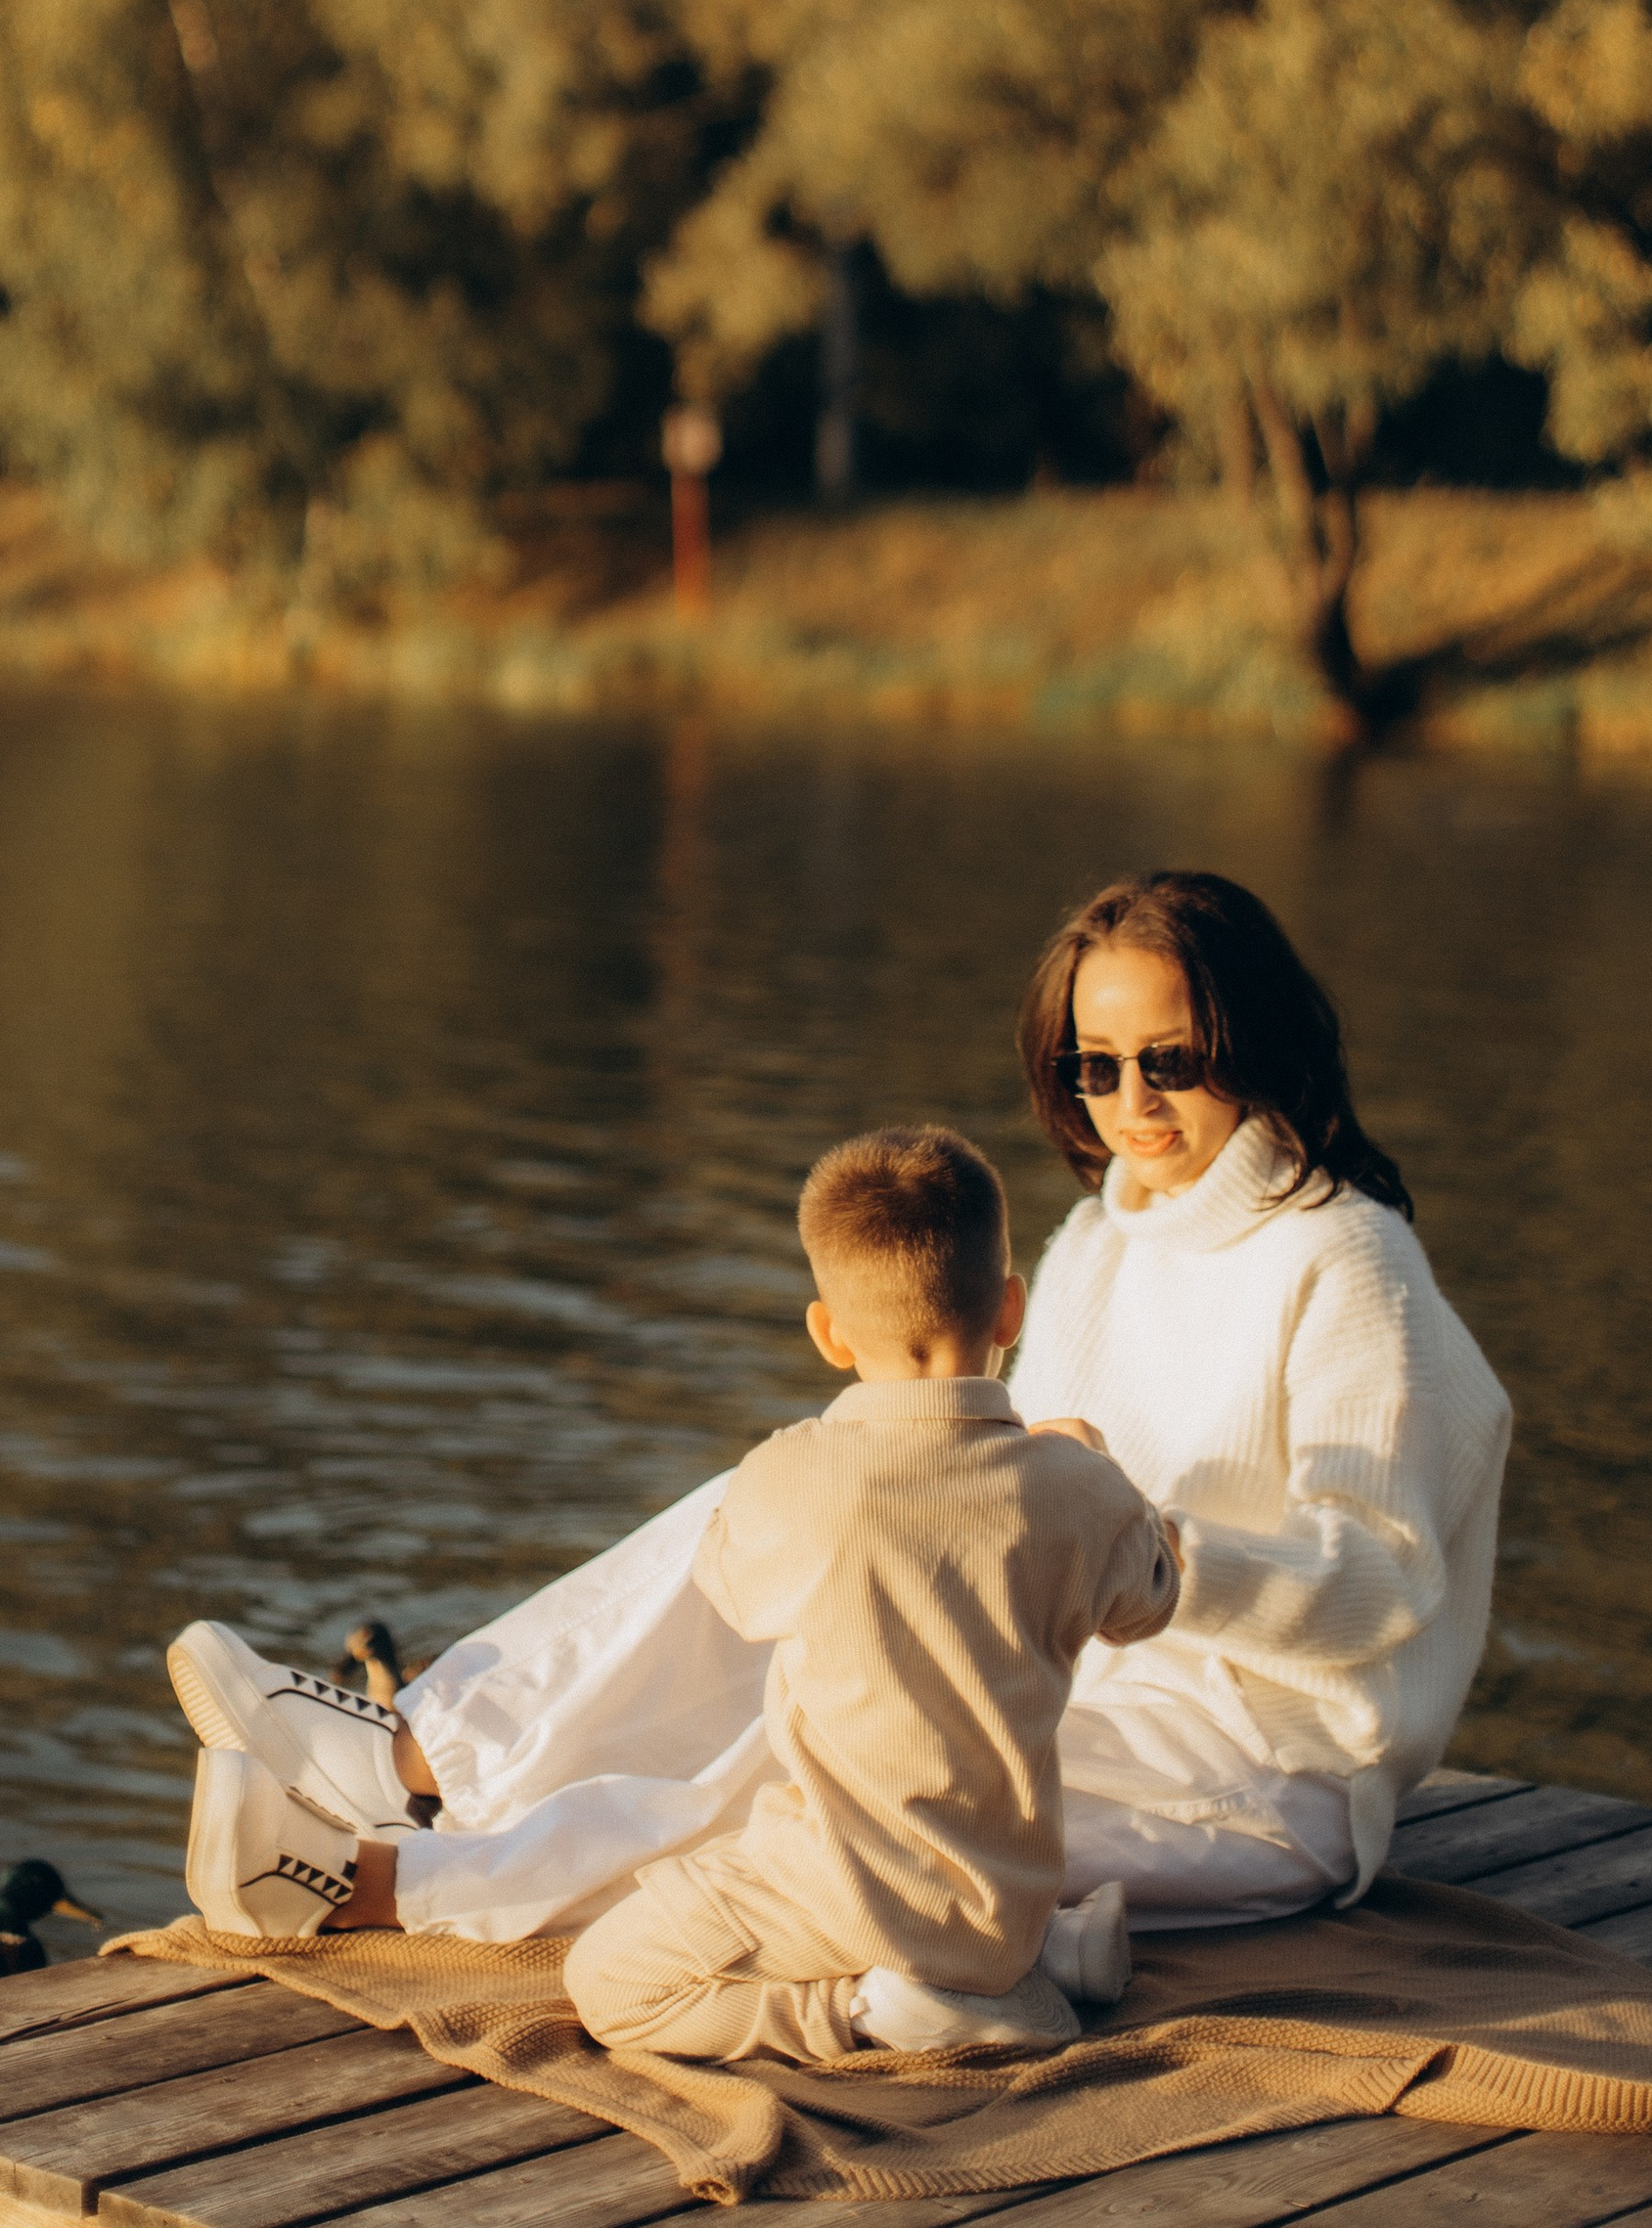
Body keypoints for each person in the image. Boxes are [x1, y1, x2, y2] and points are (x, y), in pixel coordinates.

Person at [170, 869, 1511, 1946]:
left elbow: (1382, 1583)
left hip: (1258, 1767)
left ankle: (374, 1887)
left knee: (837, 1769)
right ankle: (405, 1752)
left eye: (1170, 1057)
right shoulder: (1106, 1240)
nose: (1133, 1105)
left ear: (1250, 1042)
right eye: (1095, 1066)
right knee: (775, 1508)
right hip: (1065, 1669)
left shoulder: (1346, 1258)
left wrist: (1147, 1549)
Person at [558, 1124, 1178, 2062]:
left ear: (829, 1332)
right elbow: (1154, 1603)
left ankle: (868, 2012)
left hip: (844, 1888)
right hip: (1006, 1897)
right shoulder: (1080, 1491)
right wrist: (1102, 1475)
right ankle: (1038, 1956)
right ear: (1010, 1311)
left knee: (606, 1982)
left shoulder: (793, 1475)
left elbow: (731, 1590)